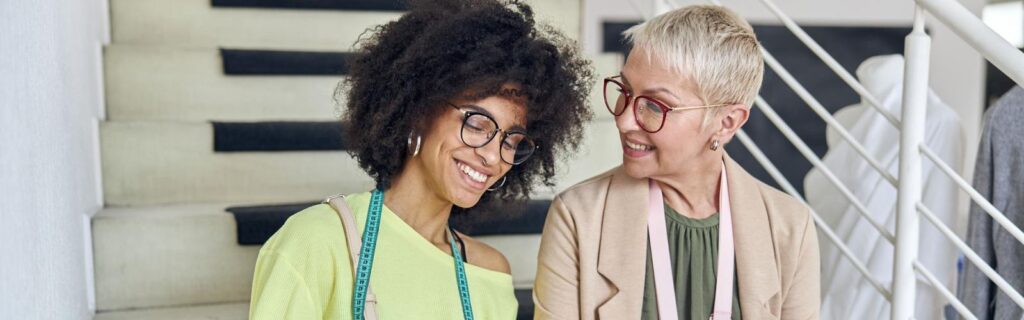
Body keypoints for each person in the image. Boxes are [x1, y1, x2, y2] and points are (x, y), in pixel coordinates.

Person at [248, 0, 593, 319]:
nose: (492, 155)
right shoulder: (317, 241)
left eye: (511, 140)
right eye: (476, 123)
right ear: (418, 111)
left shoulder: (489, 272)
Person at [533, 5, 820, 319]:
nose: (624, 120)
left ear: (726, 123)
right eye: (625, 91)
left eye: (655, 106)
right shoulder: (577, 218)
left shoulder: (791, 228)